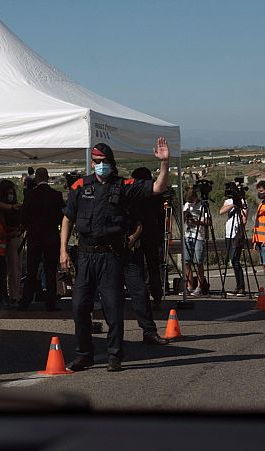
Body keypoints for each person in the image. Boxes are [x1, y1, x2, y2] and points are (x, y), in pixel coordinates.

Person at [60, 138, 171, 372]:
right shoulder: (80, 186)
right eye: (96, 161)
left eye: (104, 161)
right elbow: (68, 218)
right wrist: (63, 250)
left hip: (110, 256)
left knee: (112, 307)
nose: (100, 165)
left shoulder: (123, 186)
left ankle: (114, 355)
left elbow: (158, 188)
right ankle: (84, 355)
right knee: (79, 307)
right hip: (85, 255)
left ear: (111, 163)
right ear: (92, 162)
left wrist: (164, 163)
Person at [19, 168, 64, 311]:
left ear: (36, 179)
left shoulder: (30, 195)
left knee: (31, 270)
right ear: (48, 177)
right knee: (50, 270)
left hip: (34, 237)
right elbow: (61, 217)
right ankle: (50, 303)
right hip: (51, 236)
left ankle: (25, 301)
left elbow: (24, 215)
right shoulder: (56, 195)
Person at [125, 213, 169, 345]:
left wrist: (133, 237)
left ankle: (149, 331)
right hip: (106, 253)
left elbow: (138, 222)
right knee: (111, 298)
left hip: (130, 251)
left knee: (140, 291)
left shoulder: (128, 198)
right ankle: (113, 341)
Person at [131, 167, 166, 308]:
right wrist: (161, 235)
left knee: (137, 267)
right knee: (153, 267)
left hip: (137, 234)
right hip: (152, 233)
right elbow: (161, 216)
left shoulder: (135, 194)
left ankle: (141, 298)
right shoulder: (155, 195)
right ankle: (156, 296)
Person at [0, 180, 23, 306]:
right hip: (9, 239)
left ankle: (15, 294)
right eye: (9, 192)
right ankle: (14, 295)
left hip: (17, 237)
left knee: (17, 268)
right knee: (13, 269)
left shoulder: (11, 207)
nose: (11, 194)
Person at [219, 194, 248, 296]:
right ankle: (238, 285)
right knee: (232, 260)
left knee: (235, 260)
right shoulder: (228, 201)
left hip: (237, 234)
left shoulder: (243, 201)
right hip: (228, 233)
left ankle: (241, 287)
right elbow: (221, 211)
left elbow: (244, 219)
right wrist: (233, 205)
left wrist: (239, 233)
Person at [182, 188, 208, 296]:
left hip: (199, 235)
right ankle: (189, 285)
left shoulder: (202, 205)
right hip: (188, 234)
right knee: (187, 261)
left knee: (199, 262)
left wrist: (195, 221)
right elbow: (183, 219)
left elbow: (207, 222)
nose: (191, 203)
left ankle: (199, 286)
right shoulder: (187, 205)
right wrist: (185, 215)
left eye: (192, 200)